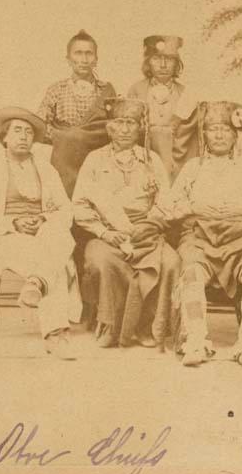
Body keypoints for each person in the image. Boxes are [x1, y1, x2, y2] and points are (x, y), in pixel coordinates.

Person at [167, 101, 242, 368]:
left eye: (225, 130)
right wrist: (194, 206)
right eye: (213, 129)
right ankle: (195, 339)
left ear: (235, 136)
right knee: (191, 274)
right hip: (199, 237)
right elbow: (169, 207)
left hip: (240, 238)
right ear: (204, 135)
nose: (218, 135)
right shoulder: (193, 167)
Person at [0, 107, 82, 360]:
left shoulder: (46, 169)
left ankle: (36, 283)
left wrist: (42, 218)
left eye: (29, 132)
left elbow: (66, 209)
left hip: (44, 234)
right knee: (56, 264)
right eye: (17, 130)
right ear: (4, 137)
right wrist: (14, 223)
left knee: (59, 236)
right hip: (7, 238)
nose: (24, 136)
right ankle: (56, 335)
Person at [72, 97, 180, 349]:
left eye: (130, 123)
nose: (124, 129)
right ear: (109, 127)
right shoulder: (94, 159)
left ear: (139, 128)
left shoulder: (151, 159)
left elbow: (166, 200)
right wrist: (103, 232)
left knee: (171, 262)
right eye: (119, 123)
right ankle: (111, 325)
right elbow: (79, 204)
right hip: (108, 234)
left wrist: (151, 224)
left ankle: (147, 325)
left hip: (147, 232)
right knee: (101, 261)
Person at [37, 30, 116, 198]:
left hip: (96, 155)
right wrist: (65, 137)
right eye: (78, 53)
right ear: (68, 59)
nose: (84, 59)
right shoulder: (57, 89)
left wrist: (84, 137)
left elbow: (113, 125)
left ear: (96, 60)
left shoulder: (107, 91)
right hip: (65, 156)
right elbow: (40, 123)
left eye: (89, 54)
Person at [128, 35, 185, 184]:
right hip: (144, 148)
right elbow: (131, 123)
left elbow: (188, 130)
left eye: (170, 59)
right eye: (156, 59)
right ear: (148, 63)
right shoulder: (137, 90)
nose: (163, 65)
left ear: (177, 63)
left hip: (176, 152)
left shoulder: (184, 93)